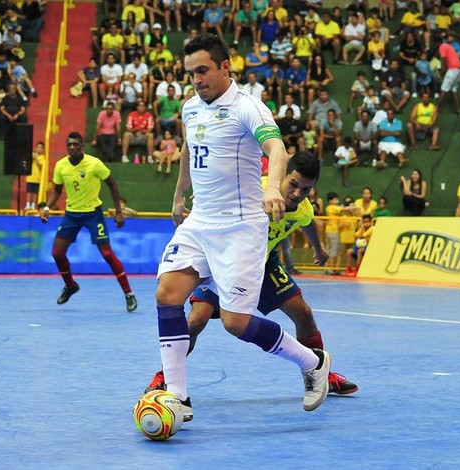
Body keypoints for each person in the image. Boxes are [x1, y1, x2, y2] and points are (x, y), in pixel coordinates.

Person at [154, 33, 332, 421]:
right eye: (190, 73)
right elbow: (188, 149)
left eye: (202, 70)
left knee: (236, 323)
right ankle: (178, 398)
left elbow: (277, 148)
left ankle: (312, 363)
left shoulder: (248, 108)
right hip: (201, 220)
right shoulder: (190, 109)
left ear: (224, 67)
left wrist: (272, 188)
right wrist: (179, 196)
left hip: (240, 227)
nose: (196, 79)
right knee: (168, 293)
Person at [145, 152, 357, 397]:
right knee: (195, 320)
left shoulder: (303, 208)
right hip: (225, 260)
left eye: (306, 189)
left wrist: (318, 248)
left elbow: (307, 222)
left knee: (303, 313)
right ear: (282, 175)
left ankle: (322, 373)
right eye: (294, 185)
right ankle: (164, 376)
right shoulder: (255, 190)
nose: (297, 194)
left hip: (264, 263)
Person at [39, 132, 137, 312]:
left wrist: (118, 212)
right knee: (57, 253)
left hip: (93, 214)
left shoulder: (94, 164)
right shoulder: (61, 166)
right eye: (69, 145)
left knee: (107, 254)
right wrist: (47, 207)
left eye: (76, 144)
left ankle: (129, 294)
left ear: (82, 146)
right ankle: (71, 286)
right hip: (71, 215)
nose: (72, 148)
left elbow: (112, 185)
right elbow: (57, 191)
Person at [25, 141, 47, 211]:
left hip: (37, 178)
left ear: (43, 149)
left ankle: (33, 205)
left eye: (41, 148)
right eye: (38, 147)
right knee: (29, 191)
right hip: (30, 177)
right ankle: (28, 204)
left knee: (35, 192)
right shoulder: (32, 155)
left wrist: (36, 159)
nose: (39, 149)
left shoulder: (43, 157)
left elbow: (41, 166)